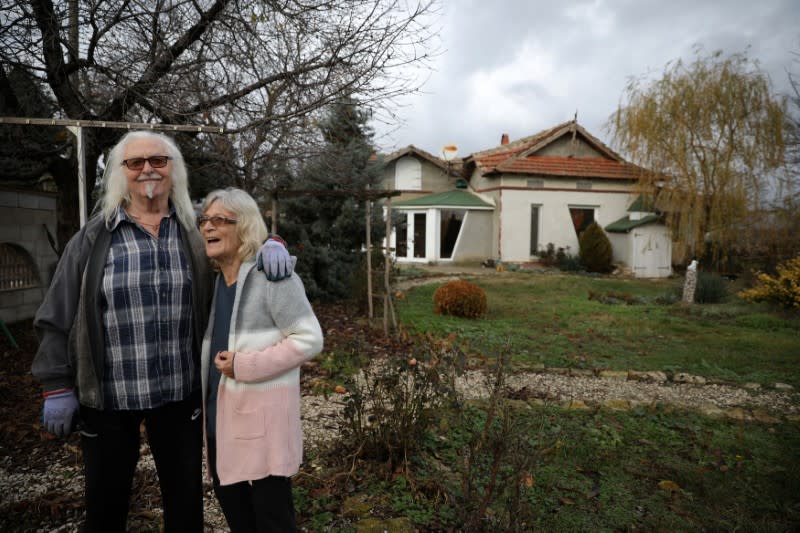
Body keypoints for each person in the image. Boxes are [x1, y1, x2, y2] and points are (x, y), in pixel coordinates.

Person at [31, 130, 293, 532]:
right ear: (121, 173)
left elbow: (245, 233)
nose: (148, 169)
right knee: (105, 503)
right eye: (135, 163)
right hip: (108, 396)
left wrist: (272, 241)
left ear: (175, 170)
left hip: (179, 393)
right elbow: (56, 314)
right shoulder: (94, 237)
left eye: (159, 160)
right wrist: (56, 384)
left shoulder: (195, 228)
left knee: (185, 503)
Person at [200, 187, 323, 533]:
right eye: (205, 220)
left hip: (263, 433)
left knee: (274, 522)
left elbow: (310, 339)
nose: (209, 227)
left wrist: (244, 366)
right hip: (220, 426)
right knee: (239, 520)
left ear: (246, 228)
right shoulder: (214, 284)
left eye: (220, 220)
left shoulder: (273, 278)